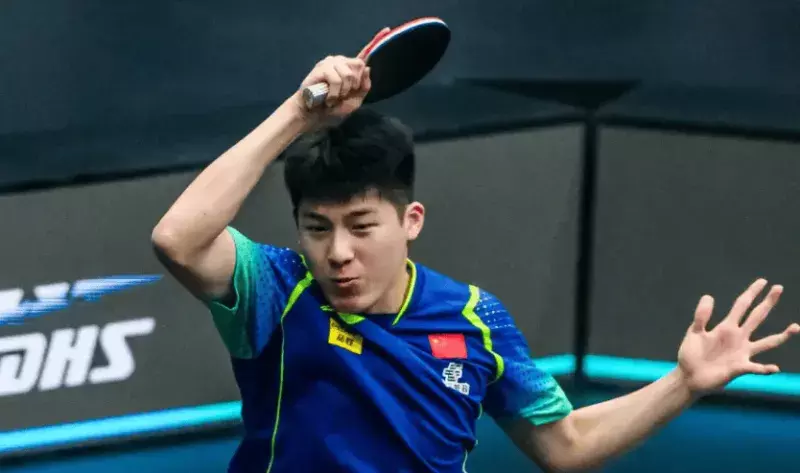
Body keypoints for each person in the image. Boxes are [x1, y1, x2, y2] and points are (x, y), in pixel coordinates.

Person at [151, 53, 800, 473]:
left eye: (361, 227)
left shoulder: (476, 320)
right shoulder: (278, 288)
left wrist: (684, 382)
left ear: (411, 221)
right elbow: (178, 238)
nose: (338, 252)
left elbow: (566, 445)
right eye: (317, 229)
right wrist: (300, 113)